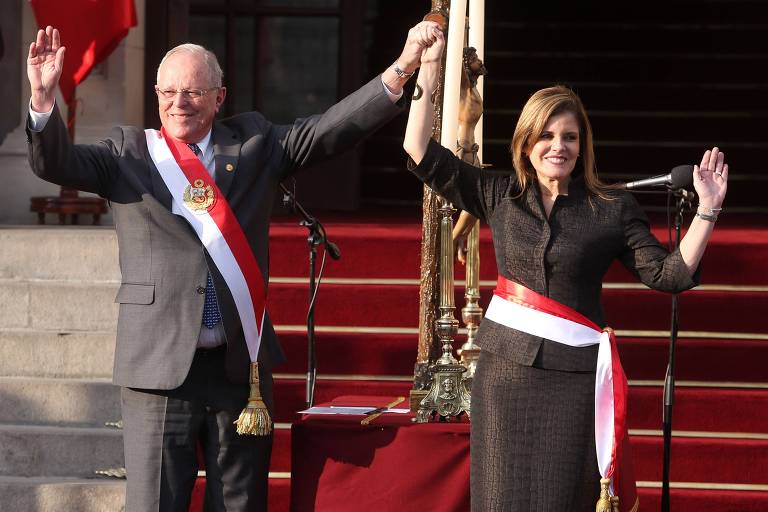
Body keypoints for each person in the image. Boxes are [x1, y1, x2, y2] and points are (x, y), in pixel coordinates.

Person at [26, 21, 437, 512]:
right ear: (156, 95)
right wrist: (44, 101)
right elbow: (57, 163)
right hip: (158, 368)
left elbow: (328, 131)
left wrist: (403, 67)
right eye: (170, 91)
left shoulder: (254, 144)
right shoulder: (127, 152)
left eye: (194, 91)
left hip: (238, 369)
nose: (180, 102)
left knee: (240, 504)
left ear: (219, 97)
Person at [403, 24, 728, 511]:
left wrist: (707, 211)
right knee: (500, 499)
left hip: (573, 383)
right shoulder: (499, 193)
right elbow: (420, 153)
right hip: (504, 377)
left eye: (570, 137)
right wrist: (428, 71)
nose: (559, 146)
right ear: (527, 140)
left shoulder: (612, 208)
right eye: (548, 135)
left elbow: (669, 275)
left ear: (583, 146)